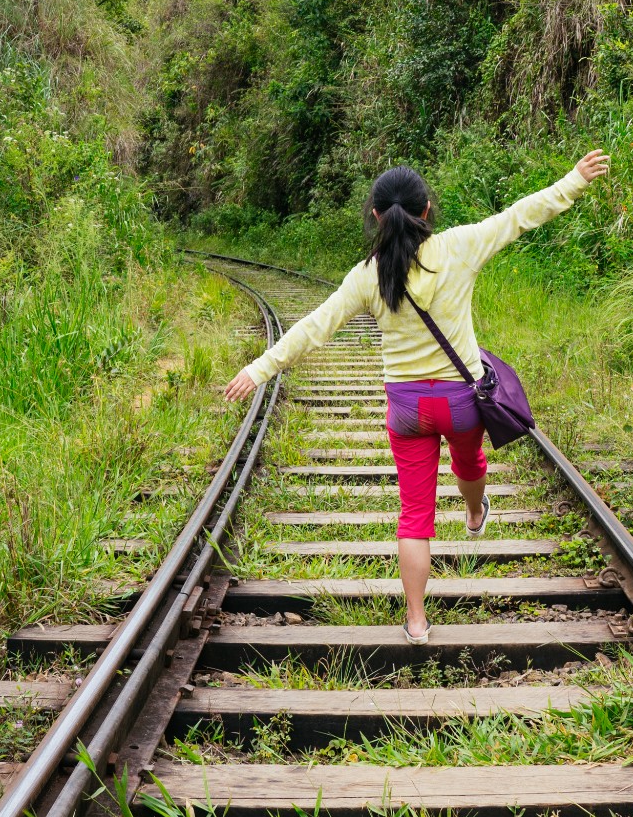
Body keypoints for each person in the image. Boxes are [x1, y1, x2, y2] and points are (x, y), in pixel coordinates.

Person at [224, 150, 609, 642]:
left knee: (414, 515)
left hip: (406, 408)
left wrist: (260, 369)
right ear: (427, 208)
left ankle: (417, 620)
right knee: (470, 464)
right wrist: (573, 180)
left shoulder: (369, 274)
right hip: (461, 402)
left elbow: (316, 326)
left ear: (376, 216)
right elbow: (519, 217)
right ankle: (474, 513)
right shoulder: (459, 247)